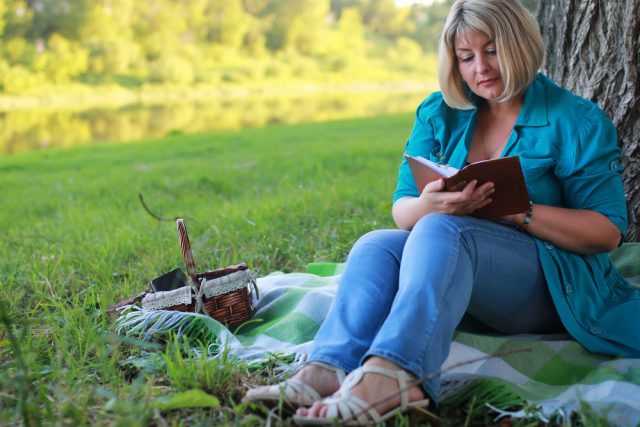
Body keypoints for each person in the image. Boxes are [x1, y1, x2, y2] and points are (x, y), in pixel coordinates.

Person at [243, 0, 640, 424]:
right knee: (377, 244)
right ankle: (324, 369)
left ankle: (395, 374)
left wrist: (515, 212)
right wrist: (428, 204)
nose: (480, 68)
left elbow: (605, 233)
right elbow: (403, 210)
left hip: (551, 286)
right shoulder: (439, 113)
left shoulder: (575, 120)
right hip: (457, 272)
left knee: (444, 231)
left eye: (492, 51)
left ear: (520, 45)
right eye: (466, 57)